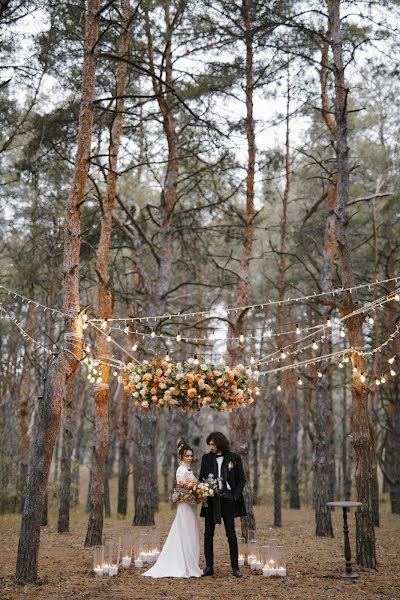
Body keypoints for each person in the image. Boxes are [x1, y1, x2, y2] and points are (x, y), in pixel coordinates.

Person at [142, 440, 202, 578]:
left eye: (191, 456)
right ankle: (182, 564)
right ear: (181, 457)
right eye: (187, 456)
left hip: (190, 506)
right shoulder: (181, 470)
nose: (190, 458)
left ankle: (191, 563)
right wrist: (193, 495)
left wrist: (200, 494)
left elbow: (192, 486)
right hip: (185, 506)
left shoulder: (189, 469)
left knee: (190, 532)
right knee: (185, 532)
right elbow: (181, 488)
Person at [199, 431, 247, 578]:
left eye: (213, 444)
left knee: (231, 534)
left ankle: (235, 568)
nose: (210, 447)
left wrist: (234, 496)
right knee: (208, 534)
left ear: (220, 444)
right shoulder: (206, 458)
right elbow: (202, 477)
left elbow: (241, 480)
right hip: (211, 501)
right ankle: (209, 567)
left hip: (228, 501)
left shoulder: (234, 458)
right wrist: (204, 490)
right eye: (209, 444)